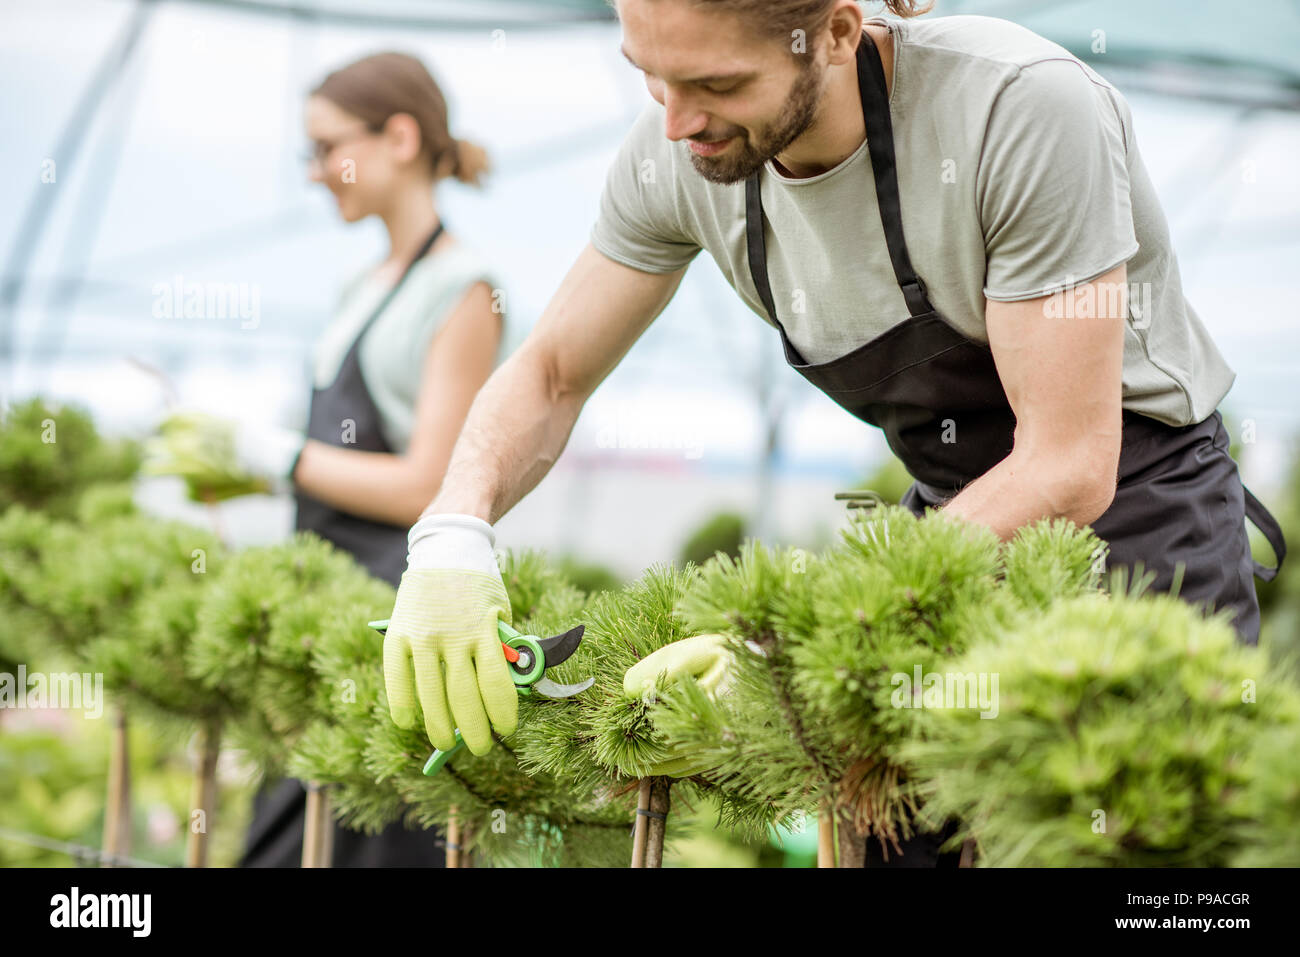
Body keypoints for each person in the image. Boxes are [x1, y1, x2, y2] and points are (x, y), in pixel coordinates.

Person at [376, 1, 1287, 868]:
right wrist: (453, 529)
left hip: (1133, 533)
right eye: (649, 76)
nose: (676, 122)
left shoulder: (1018, 109)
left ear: (838, 33)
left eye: (717, 84)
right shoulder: (676, 158)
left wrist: (784, 634)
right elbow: (550, 372)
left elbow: (1067, 464)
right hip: (937, 540)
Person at [209, 51, 502, 866]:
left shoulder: (465, 290)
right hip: (322, 632)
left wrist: (281, 459)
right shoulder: (361, 286)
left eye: (325, 148)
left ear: (399, 137)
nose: (313, 173)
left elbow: (428, 487)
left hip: (386, 640)